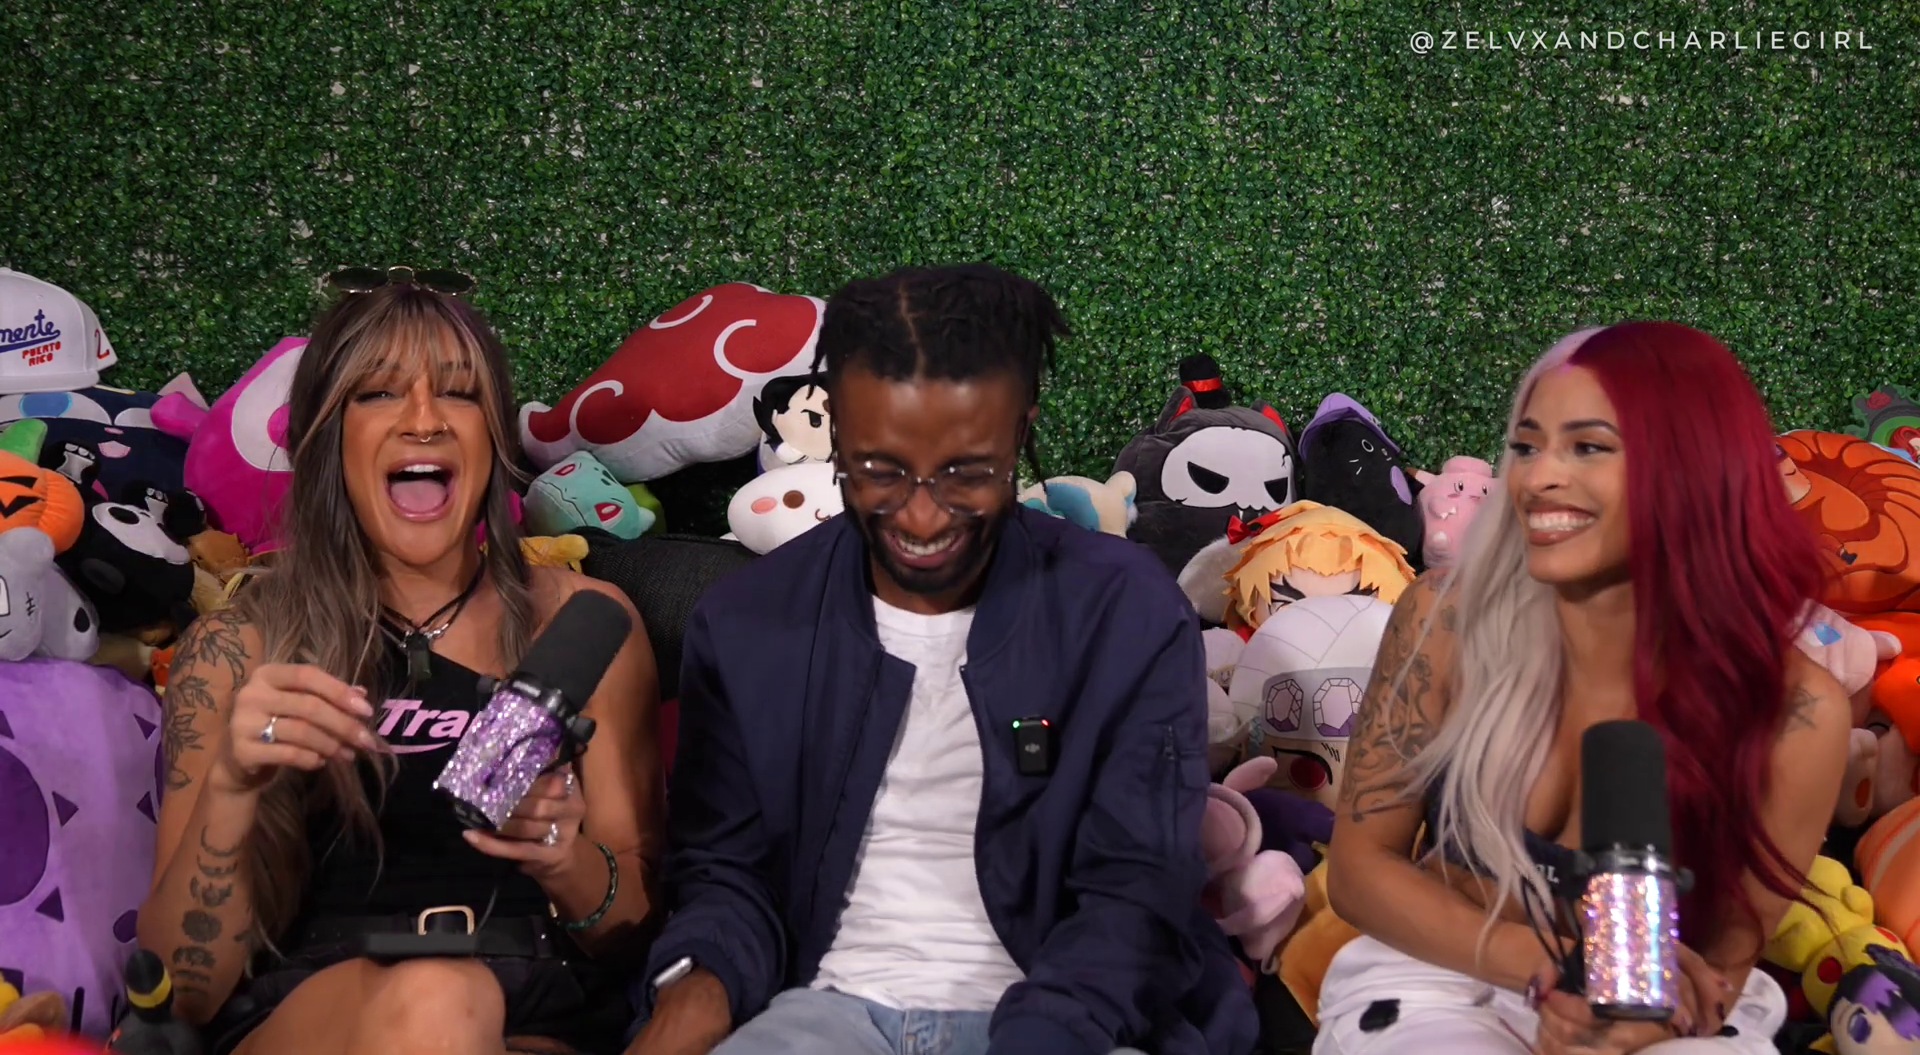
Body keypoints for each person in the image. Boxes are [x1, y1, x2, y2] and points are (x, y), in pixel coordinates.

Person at [622, 263, 1258, 1055]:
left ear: (1020, 431)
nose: (922, 516)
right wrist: (693, 996)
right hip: (824, 1013)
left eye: (968, 471)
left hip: (1065, 1022)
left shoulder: (1125, 610)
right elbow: (724, 874)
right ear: (836, 431)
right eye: (880, 469)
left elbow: (1134, 890)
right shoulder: (749, 621)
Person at [139, 267, 663, 1055]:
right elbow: (184, 989)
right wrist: (233, 788)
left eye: (458, 393)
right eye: (379, 393)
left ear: (493, 434)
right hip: (315, 1009)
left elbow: (634, 933)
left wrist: (563, 857)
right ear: (326, 437)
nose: (424, 420)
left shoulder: (582, 622)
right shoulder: (238, 646)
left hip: (538, 1003)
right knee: (436, 996)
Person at [1313, 320, 1853, 1055]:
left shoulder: (1798, 713)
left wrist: (1623, 1021)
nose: (1537, 478)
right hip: (1448, 970)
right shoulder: (1444, 618)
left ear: (1694, 466)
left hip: (1664, 1007)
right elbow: (1359, 870)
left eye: (1588, 447)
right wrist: (1552, 971)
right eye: (1526, 446)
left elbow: (1724, 962)